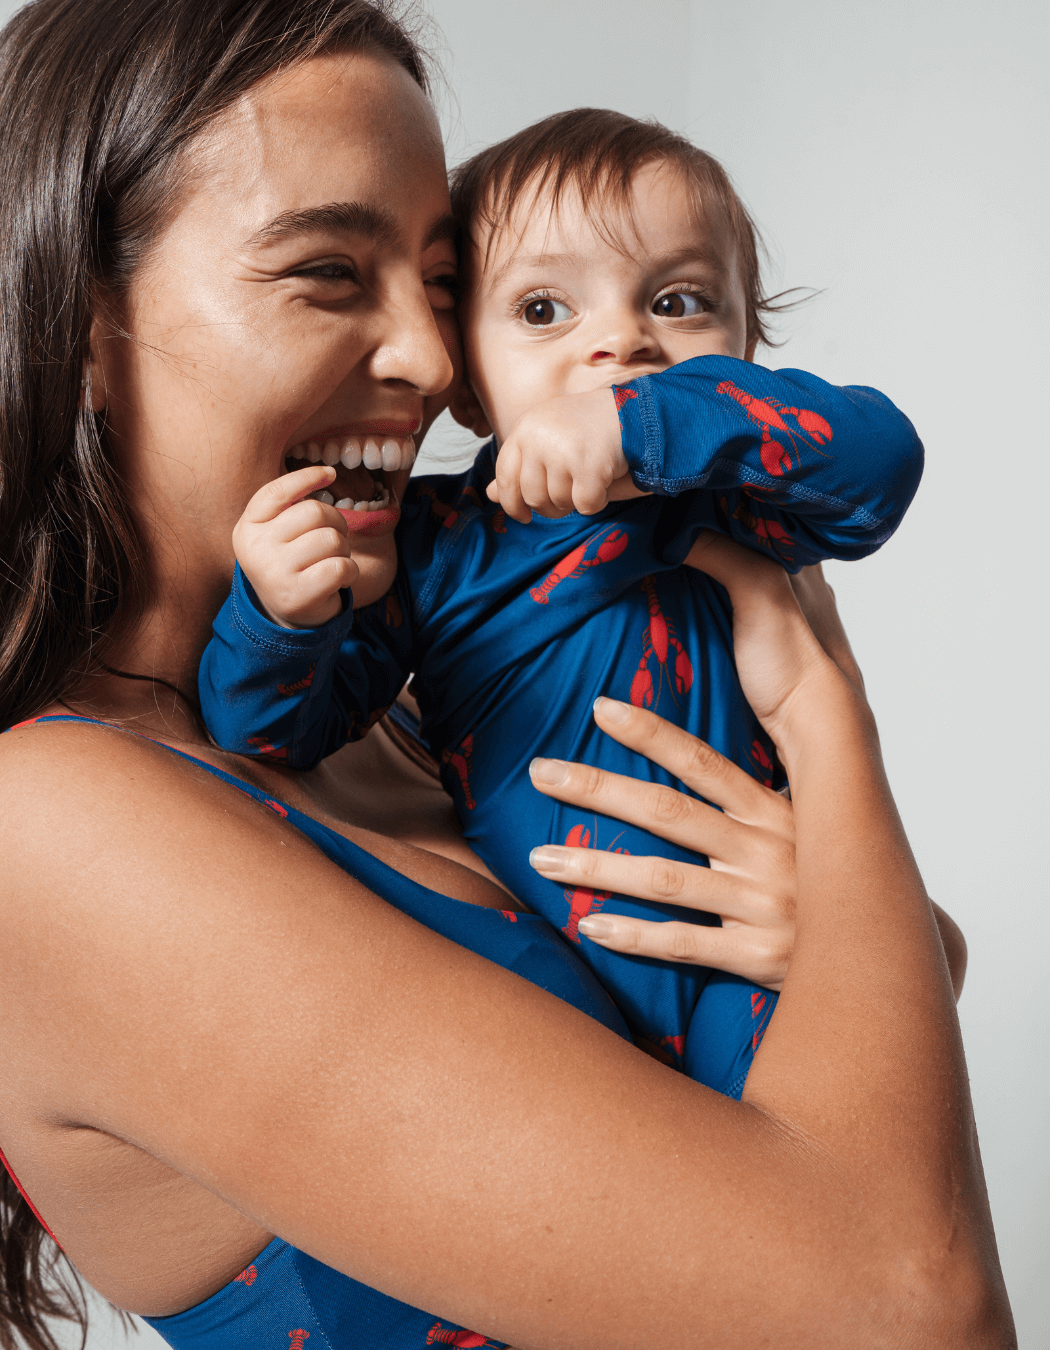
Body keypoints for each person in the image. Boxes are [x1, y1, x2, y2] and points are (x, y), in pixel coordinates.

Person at [0, 1, 1010, 1349]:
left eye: (438, 285)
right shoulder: (50, 826)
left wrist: (830, 918)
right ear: (79, 326)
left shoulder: (406, 690)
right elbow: (911, 1309)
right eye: (326, 272)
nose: (430, 362)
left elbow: (918, 972)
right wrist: (826, 720)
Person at [199, 108, 924, 1091]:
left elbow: (882, 460)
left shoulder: (735, 505)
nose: (622, 341)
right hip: (557, 1007)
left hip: (753, 971)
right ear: (466, 387)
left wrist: (647, 424)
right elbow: (276, 737)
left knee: (822, 1144)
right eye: (544, 310)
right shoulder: (434, 546)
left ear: (743, 349)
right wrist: (284, 619)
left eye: (678, 301)